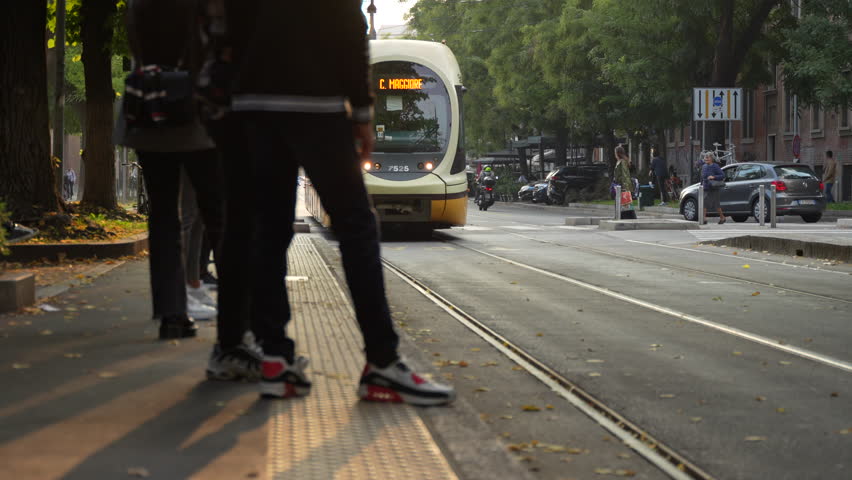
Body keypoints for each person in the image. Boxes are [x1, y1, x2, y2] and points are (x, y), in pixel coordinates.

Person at [226, 1, 455, 405]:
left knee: (268, 227)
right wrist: (362, 110)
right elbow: (348, 26)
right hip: (315, 99)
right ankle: (382, 362)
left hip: (252, 102)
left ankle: (275, 359)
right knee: (356, 225)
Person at [701, 152, 726, 224]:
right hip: (706, 187)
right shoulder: (704, 166)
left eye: (707, 157)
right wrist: (701, 185)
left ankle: (722, 217)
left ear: (711, 159)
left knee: (716, 204)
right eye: (705, 157)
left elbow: (722, 175)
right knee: (704, 202)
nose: (706, 159)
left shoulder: (715, 166)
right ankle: (704, 219)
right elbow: (702, 177)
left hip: (713, 188)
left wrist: (714, 177)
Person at [614, 145, 636, 219]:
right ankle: (621, 216)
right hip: (619, 185)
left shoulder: (622, 162)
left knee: (625, 204)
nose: (615, 154)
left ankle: (626, 217)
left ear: (618, 153)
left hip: (623, 186)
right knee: (624, 204)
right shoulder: (620, 161)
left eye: (615, 153)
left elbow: (625, 174)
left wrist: (625, 187)